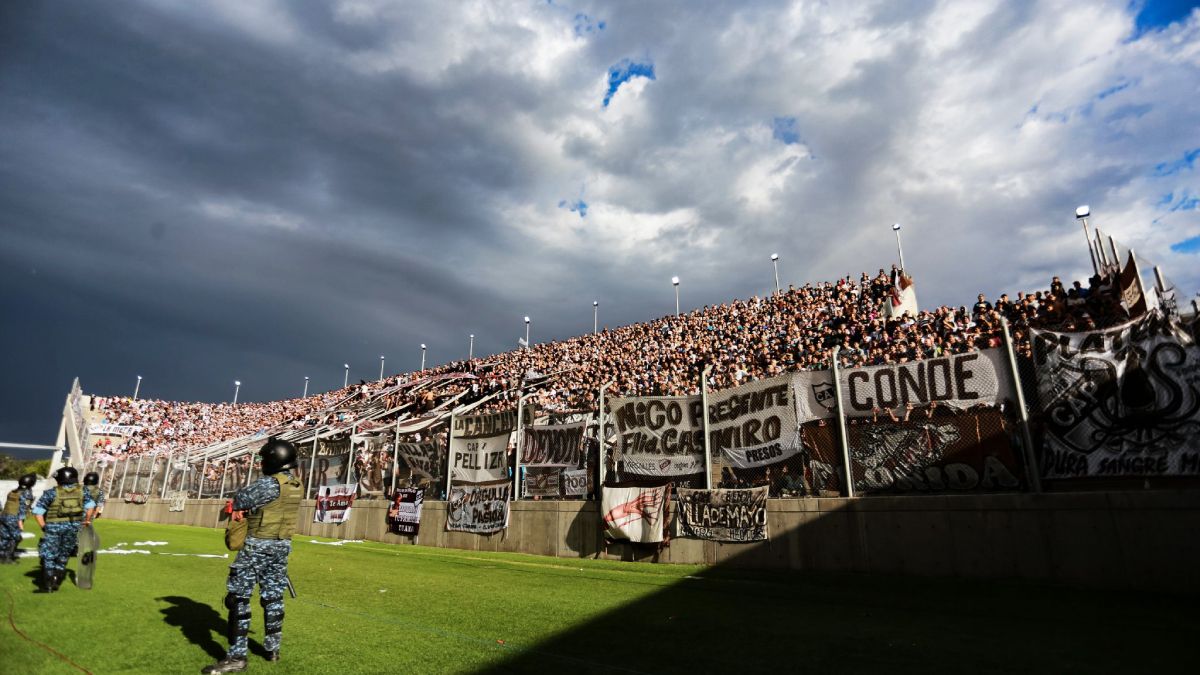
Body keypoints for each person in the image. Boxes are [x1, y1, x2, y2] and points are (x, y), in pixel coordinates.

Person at [203, 439, 303, 674]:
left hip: (258, 546)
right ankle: (272, 649)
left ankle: (237, 656)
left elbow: (241, 499)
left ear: (273, 460)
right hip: (281, 546)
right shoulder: (296, 484)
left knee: (238, 598)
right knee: (273, 597)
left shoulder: (270, 484)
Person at [32, 466, 95, 591]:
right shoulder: (83, 491)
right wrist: (86, 521)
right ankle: (58, 579)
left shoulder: (51, 492)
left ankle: (49, 582)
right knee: (64, 553)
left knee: (49, 554)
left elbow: (37, 512)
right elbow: (90, 507)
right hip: (73, 528)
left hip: (53, 527)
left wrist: (44, 526)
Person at [1, 473, 37, 563]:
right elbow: (23, 509)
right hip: (13, 517)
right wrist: (20, 523)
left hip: (4, 516)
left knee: (5, 537)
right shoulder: (27, 493)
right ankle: (8, 558)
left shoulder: (13, 491)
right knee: (16, 537)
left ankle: (2, 555)